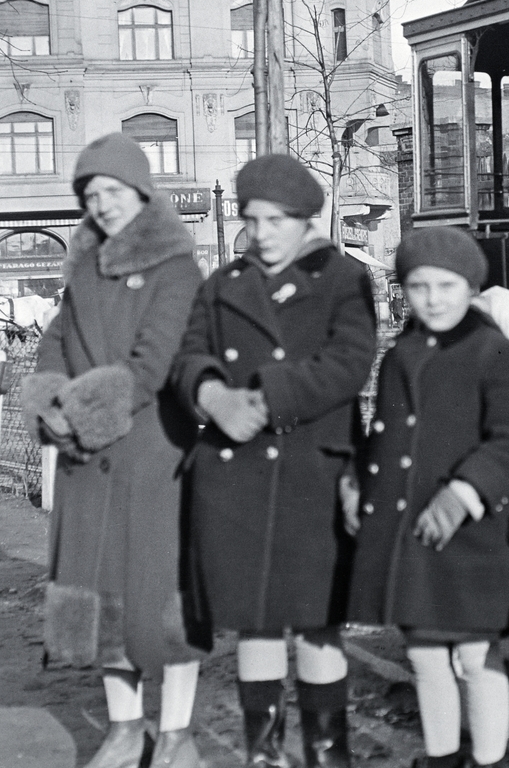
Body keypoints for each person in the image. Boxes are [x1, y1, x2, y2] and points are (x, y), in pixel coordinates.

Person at [171, 154, 378, 768]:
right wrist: (211, 394)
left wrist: (265, 400)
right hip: (236, 478)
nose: (259, 233)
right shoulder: (223, 284)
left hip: (314, 470)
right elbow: (189, 355)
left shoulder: (342, 277)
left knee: (318, 621)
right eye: (251, 219)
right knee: (254, 620)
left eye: (274, 221)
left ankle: (326, 753)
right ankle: (264, 754)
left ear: (306, 220)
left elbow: (350, 361)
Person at [20, 133, 208, 768]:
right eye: (91, 194)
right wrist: (49, 401)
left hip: (156, 455)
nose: (102, 205)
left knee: (164, 601)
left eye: (113, 191)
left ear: (140, 192)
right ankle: (127, 729)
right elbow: (55, 341)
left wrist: (82, 416)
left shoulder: (176, 267)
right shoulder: (82, 269)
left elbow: (153, 361)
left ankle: (177, 733)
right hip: (88, 462)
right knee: (98, 595)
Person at [343, 227, 509, 768]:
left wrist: (464, 493)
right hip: (410, 531)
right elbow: (387, 434)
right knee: (425, 655)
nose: (432, 298)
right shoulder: (403, 351)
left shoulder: (496, 352)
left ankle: (491, 759)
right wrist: (365, 486)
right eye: (419, 286)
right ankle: (443, 755)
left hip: (475, 533)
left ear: (471, 286)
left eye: (446, 285)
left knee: (476, 655)